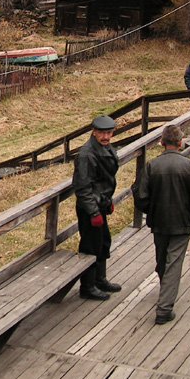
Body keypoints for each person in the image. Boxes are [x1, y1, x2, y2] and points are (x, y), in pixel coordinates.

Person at [132, 124, 190, 324]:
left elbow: (140, 195)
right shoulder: (189, 166)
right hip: (182, 223)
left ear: (161, 143)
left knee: (162, 260)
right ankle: (164, 309)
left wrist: (151, 210)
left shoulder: (151, 166)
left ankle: (165, 292)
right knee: (173, 263)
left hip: (159, 222)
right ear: (180, 143)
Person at [73, 114, 123, 300]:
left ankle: (100, 279)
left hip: (99, 202)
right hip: (90, 208)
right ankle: (87, 286)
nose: (106, 137)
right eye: (102, 133)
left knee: (103, 242)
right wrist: (94, 212)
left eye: (109, 133)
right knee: (90, 245)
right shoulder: (86, 154)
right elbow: (83, 187)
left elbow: (105, 179)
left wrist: (107, 201)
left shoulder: (105, 147)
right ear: (93, 132)